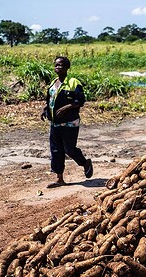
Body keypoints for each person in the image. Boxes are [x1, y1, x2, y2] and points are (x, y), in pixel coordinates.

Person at [40, 56, 93, 188]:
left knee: (69, 149)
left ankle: (85, 163)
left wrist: (67, 107)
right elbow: (51, 100)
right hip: (55, 123)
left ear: (67, 67)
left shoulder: (74, 83)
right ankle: (59, 178)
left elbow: (80, 101)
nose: (58, 67)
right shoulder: (53, 83)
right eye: (56, 65)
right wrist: (44, 109)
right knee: (56, 150)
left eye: (61, 65)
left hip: (70, 123)